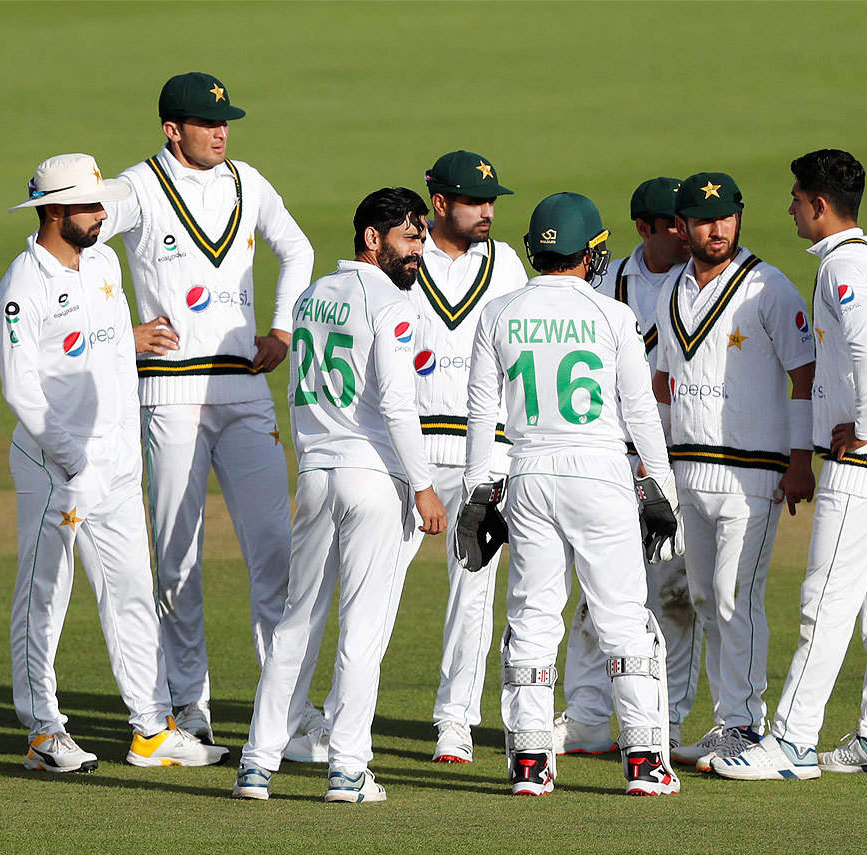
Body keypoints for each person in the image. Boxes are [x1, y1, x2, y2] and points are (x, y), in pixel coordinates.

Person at [99, 72, 315, 745]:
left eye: (226, 122)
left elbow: (299, 248)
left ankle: (287, 709)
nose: (221, 133)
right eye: (206, 123)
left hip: (246, 390)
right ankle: (189, 708)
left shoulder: (248, 181)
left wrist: (282, 328)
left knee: (276, 553)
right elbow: (73, 242)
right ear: (172, 129)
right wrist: (118, 333)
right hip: (170, 391)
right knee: (178, 560)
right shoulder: (137, 187)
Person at [0, 153, 227, 772]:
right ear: (53, 210)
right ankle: (43, 732)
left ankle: (150, 730)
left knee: (130, 593)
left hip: (119, 465)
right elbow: (22, 391)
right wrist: (74, 460)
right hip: (58, 467)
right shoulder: (24, 284)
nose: (103, 214)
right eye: (90, 205)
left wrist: (129, 341)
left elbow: (90, 345)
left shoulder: (101, 260)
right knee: (44, 598)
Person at [714, 149, 867, 780]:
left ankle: (791, 744)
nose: (788, 206)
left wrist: (866, 425)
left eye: (794, 196)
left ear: (818, 204)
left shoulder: (846, 268)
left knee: (825, 599)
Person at [461, 192, 682, 796]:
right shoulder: (612, 316)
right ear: (589, 253)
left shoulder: (499, 312)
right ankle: (644, 764)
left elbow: (483, 414)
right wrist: (659, 487)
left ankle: (530, 765)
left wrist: (478, 493)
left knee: (532, 619)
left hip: (529, 475)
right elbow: (639, 410)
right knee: (624, 621)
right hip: (601, 474)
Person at [232, 187, 446, 803]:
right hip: (373, 476)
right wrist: (425, 486)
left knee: (297, 621)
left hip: (317, 474)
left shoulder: (313, 296)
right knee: (363, 625)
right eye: (409, 238)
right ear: (372, 239)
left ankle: (258, 761)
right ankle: (348, 768)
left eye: (421, 239)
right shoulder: (392, 304)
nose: (419, 251)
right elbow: (400, 406)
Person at [651, 172, 816, 772]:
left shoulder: (768, 289)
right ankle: (727, 723)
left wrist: (801, 458)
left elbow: (805, 375)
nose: (715, 229)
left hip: (753, 472)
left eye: (725, 217)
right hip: (688, 468)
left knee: (732, 595)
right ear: (683, 225)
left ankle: (746, 725)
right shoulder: (670, 289)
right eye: (702, 219)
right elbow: (665, 383)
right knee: (700, 596)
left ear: (739, 219)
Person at [558, 178, 699, 754]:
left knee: (673, 597)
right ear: (644, 228)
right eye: (673, 224)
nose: (686, 233)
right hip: (609, 457)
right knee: (597, 594)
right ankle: (587, 717)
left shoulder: (708, 281)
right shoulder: (604, 280)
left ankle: (665, 725)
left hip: (680, 456)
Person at [401, 150, 527, 765]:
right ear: (440, 203)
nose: (488, 212)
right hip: (407, 450)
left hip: (485, 453)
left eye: (493, 201)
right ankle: (345, 712)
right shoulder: (404, 255)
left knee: (472, 594)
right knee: (374, 588)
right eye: (476, 202)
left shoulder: (507, 263)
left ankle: (456, 722)